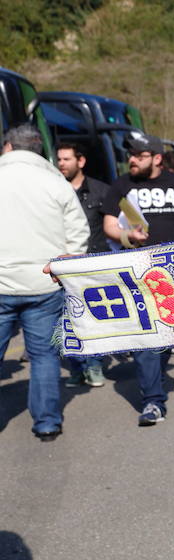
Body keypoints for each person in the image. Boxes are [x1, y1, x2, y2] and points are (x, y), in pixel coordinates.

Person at [0, 125, 89, 441]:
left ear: (8, 147)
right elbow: (78, 232)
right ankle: (48, 422)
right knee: (44, 357)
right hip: (45, 283)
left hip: (1, 284)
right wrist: (64, 264)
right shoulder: (56, 183)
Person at [102, 131, 174, 426]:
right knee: (145, 336)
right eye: (130, 154)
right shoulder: (121, 184)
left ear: (156, 158)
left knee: (166, 334)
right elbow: (108, 225)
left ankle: (157, 371)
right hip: (134, 270)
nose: (131, 159)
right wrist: (127, 235)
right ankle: (153, 402)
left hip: (169, 271)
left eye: (139, 155)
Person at [56, 142, 110, 388]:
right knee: (67, 319)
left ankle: (95, 366)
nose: (61, 164)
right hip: (63, 265)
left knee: (92, 319)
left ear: (81, 161)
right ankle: (77, 369)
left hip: (94, 263)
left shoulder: (101, 191)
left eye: (67, 159)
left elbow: (122, 221)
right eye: (59, 159)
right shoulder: (53, 189)